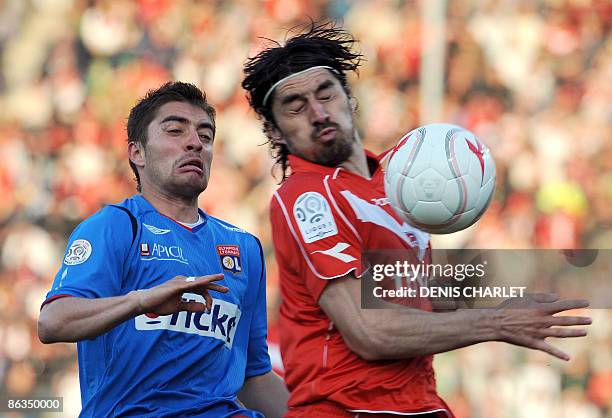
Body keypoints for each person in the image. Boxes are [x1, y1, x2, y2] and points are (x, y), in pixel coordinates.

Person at [241, 23, 591, 418]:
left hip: (419, 404)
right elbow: (368, 331)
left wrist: (499, 299)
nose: (319, 113)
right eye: (296, 106)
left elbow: (408, 300)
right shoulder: (307, 197)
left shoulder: (398, 183)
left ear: (349, 97)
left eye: (326, 94)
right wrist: (498, 322)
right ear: (274, 130)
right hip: (348, 408)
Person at [38, 81, 288, 418]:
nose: (194, 144)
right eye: (175, 131)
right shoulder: (116, 226)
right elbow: (52, 322)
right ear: (137, 153)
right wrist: (141, 301)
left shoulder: (244, 248)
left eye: (205, 136)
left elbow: (254, 376)